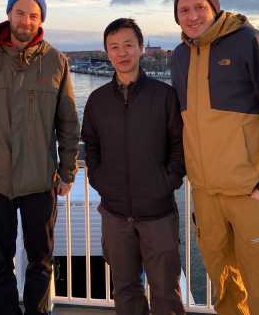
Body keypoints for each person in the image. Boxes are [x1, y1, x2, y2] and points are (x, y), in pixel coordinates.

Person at [171, 0, 259, 314]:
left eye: (199, 7)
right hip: (206, 194)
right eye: (184, 10)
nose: (192, 15)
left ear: (214, 7)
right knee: (225, 287)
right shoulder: (180, 56)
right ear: (176, 17)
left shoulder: (250, 41)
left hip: (251, 192)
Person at [0, 0, 79, 315]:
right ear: (9, 13)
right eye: (20, 12)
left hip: (40, 181)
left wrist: (67, 171)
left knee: (41, 262)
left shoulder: (57, 61)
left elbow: (68, 121)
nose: (26, 20)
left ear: (41, 20)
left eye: (34, 15)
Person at [81, 18, 186, 315]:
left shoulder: (164, 96)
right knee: (125, 290)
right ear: (107, 52)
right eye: (114, 47)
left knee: (166, 292)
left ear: (140, 48)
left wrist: (167, 182)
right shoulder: (97, 101)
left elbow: (179, 146)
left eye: (128, 45)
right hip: (114, 214)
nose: (122, 52)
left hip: (158, 213)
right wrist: (100, 180)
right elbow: (91, 145)